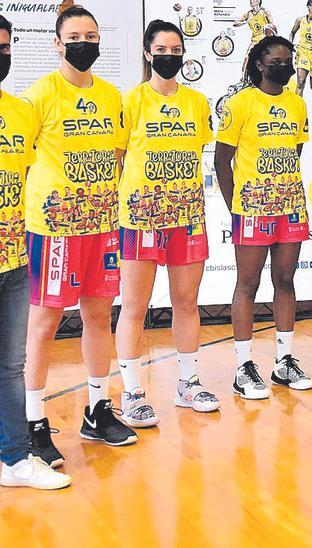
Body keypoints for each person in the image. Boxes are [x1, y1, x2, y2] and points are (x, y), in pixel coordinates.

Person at [23, 3, 137, 469]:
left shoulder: (112, 96)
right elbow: (23, 160)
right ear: (56, 42)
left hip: (101, 225)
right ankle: (33, 422)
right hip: (53, 228)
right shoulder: (39, 95)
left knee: (97, 315)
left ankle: (97, 409)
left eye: (91, 36)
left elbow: (115, 155)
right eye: (75, 36)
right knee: (45, 324)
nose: (84, 44)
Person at [114, 20, 220, 427]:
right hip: (141, 216)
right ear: (147, 53)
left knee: (186, 303)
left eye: (176, 49)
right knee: (135, 307)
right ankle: (133, 392)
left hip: (187, 216)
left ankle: (188, 382)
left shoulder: (196, 102)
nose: (170, 56)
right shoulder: (132, 101)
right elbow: (118, 159)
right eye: (162, 49)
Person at [214, 36, 312, 398]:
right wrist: (236, 207)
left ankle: (284, 362)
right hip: (252, 208)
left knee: (285, 281)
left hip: (290, 205)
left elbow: (297, 151)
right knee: (248, 284)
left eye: (288, 59)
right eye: (276, 60)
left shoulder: (297, 103)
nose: (284, 65)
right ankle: (244, 368)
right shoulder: (240, 104)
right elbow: (221, 161)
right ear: (259, 64)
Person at [0, 13, 71, 490]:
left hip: (13, 258)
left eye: (6, 46)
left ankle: (13, 460)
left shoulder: (22, 111)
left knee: (9, 365)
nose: (1, 54)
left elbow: (25, 179)